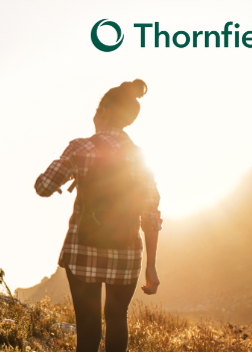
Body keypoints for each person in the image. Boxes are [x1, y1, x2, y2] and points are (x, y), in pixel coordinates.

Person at [34, 79, 161, 352]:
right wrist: (151, 266)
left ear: (103, 111)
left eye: (96, 110)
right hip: (127, 254)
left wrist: (62, 173)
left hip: (83, 252)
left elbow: (44, 188)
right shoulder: (141, 158)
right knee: (117, 319)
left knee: (88, 326)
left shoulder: (80, 148)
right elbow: (150, 215)